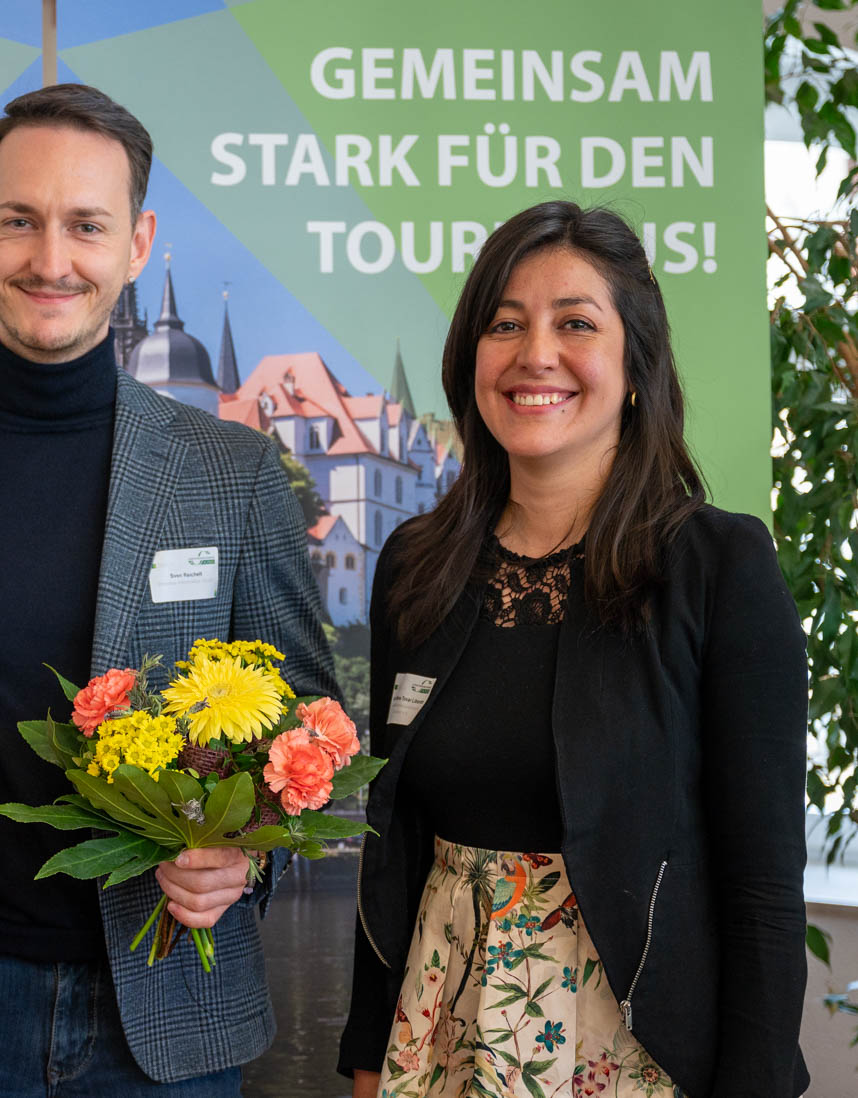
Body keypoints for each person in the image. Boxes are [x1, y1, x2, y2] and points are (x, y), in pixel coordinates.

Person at [0, 83, 338, 1094]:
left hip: (169, 1002)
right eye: (21, 222)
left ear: (137, 244)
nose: (51, 260)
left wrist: (245, 853)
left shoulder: (234, 473)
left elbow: (310, 719)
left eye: (86, 225)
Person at [338, 202, 810, 1096]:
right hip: (436, 1047)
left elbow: (762, 892)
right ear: (470, 359)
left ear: (636, 365)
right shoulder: (416, 565)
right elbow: (391, 845)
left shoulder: (717, 567)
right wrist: (367, 1061)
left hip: (634, 1060)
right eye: (505, 324)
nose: (535, 354)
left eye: (576, 324)